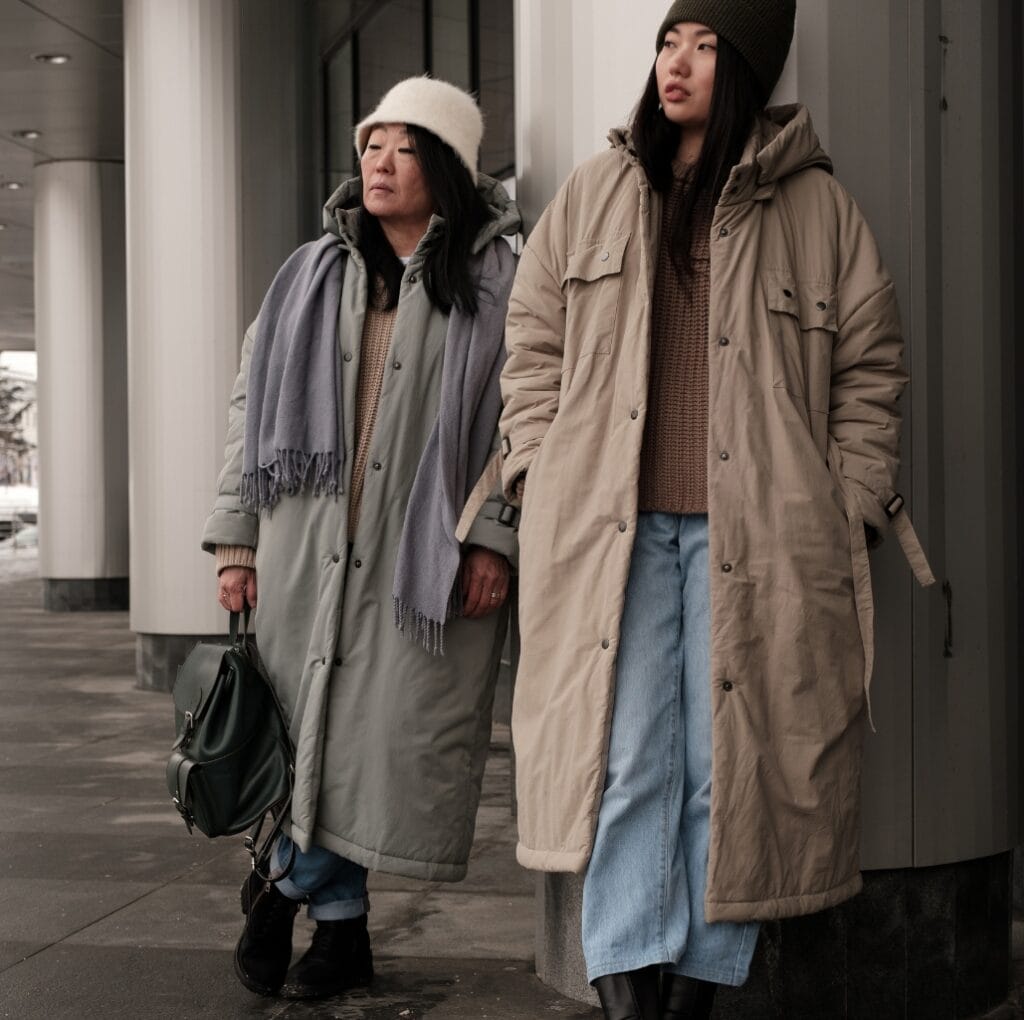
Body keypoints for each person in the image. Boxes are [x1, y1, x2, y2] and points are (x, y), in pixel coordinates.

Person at [498, 3, 934, 1019]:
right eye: (665, 42)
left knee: (726, 767)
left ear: (741, 69)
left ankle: (698, 985)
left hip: (763, 536)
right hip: (614, 532)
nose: (674, 64)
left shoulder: (818, 211)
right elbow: (533, 340)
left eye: (701, 47)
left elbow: (870, 365)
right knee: (626, 757)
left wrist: (849, 501)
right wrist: (534, 466)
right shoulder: (598, 191)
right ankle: (626, 985)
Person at [201, 76, 520, 1001]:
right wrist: (235, 537)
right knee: (308, 741)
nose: (379, 162)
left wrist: (498, 536)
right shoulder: (311, 272)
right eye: (371, 143)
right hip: (305, 544)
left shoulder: (503, 276)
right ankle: (341, 936)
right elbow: (248, 408)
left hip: (420, 558)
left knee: (374, 744)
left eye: (405, 146)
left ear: (450, 168)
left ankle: (279, 885)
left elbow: (529, 416)